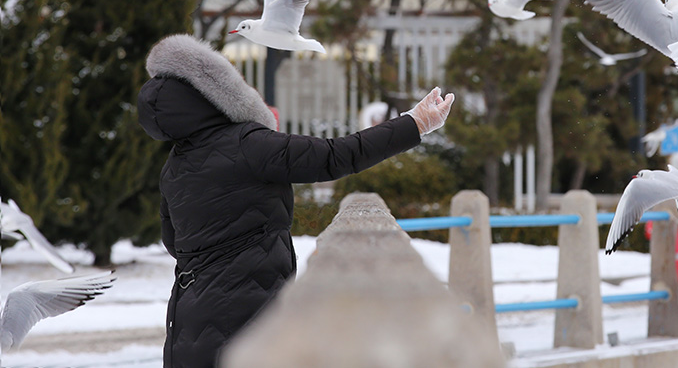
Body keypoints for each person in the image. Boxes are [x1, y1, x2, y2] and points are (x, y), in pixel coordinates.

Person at [137, 34, 453, 368]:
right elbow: (335, 156)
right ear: (215, 96)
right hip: (248, 320)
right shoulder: (249, 145)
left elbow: (174, 242)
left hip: (187, 322)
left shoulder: (174, 166)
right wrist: (415, 124)